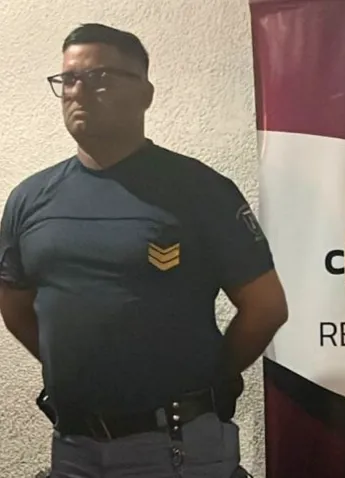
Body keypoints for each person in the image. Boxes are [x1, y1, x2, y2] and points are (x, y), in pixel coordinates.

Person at [0, 23, 289, 477]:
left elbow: (266, 307)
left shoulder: (200, 190)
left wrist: (205, 379)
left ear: (145, 94)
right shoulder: (29, 199)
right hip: (73, 447)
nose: (78, 92)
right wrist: (79, 370)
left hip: (177, 446)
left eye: (99, 77)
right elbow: (14, 305)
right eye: (68, 79)